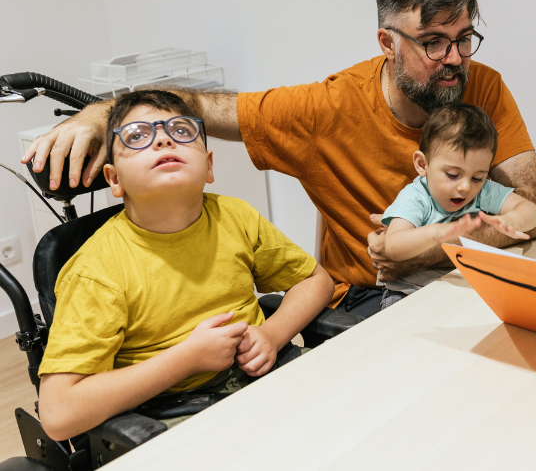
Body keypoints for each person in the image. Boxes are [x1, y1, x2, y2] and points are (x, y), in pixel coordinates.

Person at [22, 0, 536, 320]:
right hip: (373, 303)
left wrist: (440, 248)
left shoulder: (480, 85)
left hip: (464, 285)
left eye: (464, 38)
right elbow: (207, 106)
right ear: (386, 43)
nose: (456, 59)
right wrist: (100, 113)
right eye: (434, 43)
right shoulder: (324, 109)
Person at [37, 91, 333, 441]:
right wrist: (187, 359)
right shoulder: (96, 272)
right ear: (114, 180)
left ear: (208, 166)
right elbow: (58, 414)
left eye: (180, 130)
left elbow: (315, 281)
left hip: (264, 379)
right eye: (137, 136)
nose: (163, 138)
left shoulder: (234, 216)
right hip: (173, 413)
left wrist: (272, 333)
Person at [379, 103, 536, 308]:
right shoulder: (416, 197)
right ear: (422, 164)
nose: (465, 186)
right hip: (408, 293)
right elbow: (393, 247)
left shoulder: (481, 191)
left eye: (477, 177)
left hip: (462, 286)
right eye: (453, 175)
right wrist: (436, 233)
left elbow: (532, 211)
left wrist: (511, 220)